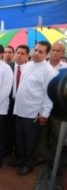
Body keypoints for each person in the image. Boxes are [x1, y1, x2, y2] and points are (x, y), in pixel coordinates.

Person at [9, 41, 57, 176]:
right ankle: (21, 159)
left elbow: (50, 95)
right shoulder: (28, 65)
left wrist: (45, 114)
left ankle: (28, 165)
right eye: (35, 50)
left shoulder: (49, 71)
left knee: (31, 142)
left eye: (40, 52)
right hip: (20, 109)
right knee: (19, 138)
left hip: (33, 113)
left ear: (46, 54)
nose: (36, 53)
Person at [36, 43, 67, 171]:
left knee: (56, 135)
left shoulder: (65, 68)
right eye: (53, 50)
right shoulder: (41, 66)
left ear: (62, 53)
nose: (55, 53)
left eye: (58, 51)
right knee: (41, 134)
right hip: (42, 106)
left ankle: (55, 162)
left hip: (58, 108)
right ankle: (41, 157)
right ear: (49, 52)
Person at [5, 45, 30, 157]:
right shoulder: (7, 67)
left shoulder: (30, 68)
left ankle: (20, 153)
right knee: (9, 127)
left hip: (24, 104)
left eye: (22, 53)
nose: (19, 55)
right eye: (18, 53)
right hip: (9, 102)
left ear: (27, 56)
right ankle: (8, 149)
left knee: (21, 130)